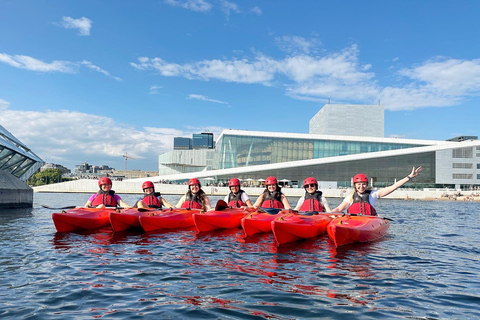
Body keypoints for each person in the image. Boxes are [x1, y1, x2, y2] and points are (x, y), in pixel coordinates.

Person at [332, 166, 422, 215]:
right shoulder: (350, 197)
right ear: (355, 186)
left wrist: (409, 177)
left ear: (367, 185)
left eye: (364, 184)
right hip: (353, 222)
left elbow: (393, 187)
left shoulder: (373, 194)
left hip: (368, 222)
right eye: (359, 184)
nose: (361, 186)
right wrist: (328, 214)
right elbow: (339, 208)